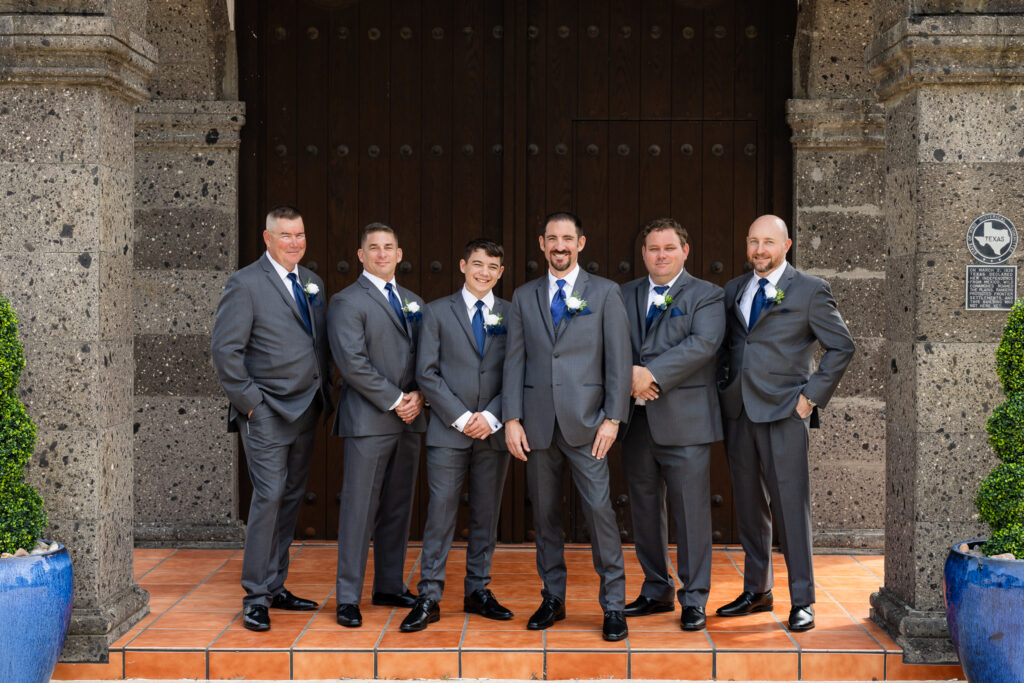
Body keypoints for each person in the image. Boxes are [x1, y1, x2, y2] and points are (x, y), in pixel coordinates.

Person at [717, 214, 854, 632]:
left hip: (784, 412)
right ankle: (757, 590)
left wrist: (810, 399)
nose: (760, 250)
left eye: (769, 242)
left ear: (786, 245)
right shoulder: (734, 290)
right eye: (753, 242)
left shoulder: (810, 290)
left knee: (791, 507)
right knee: (750, 506)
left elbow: (841, 347)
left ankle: (802, 600)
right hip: (739, 412)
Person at [503, 211, 632, 642]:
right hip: (538, 426)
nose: (560, 246)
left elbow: (618, 362)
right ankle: (552, 598)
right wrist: (512, 419)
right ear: (542, 244)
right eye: (552, 239)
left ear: (581, 243)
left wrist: (613, 418)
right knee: (545, 517)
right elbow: (514, 360)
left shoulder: (605, 292)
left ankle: (613, 605)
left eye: (568, 239)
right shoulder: (523, 296)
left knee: (599, 514)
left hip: (589, 424)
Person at [210, 205, 332, 632]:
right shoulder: (244, 284)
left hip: (306, 409)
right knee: (269, 496)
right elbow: (226, 352)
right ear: (267, 238)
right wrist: (251, 405)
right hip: (266, 412)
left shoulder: (313, 282)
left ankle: (276, 584)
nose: (294, 243)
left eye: (300, 235)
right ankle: (255, 596)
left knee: (290, 498)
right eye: (285, 236)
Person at [400, 238, 514, 632]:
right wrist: (463, 417)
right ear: (463, 265)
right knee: (441, 513)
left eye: (493, 267)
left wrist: (493, 417)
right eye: (477, 264)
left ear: (501, 273)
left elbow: (518, 372)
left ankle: (478, 590)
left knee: (486, 514)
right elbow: (426, 372)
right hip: (450, 431)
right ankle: (429, 594)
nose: (484, 272)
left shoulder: (511, 315)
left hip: (494, 433)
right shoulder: (436, 313)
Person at [619, 218, 725, 631]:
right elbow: (610, 342)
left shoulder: (707, 295)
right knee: (645, 508)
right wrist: (630, 378)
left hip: (686, 420)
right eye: (652, 248)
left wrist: (651, 374)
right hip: (635, 419)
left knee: (690, 511)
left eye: (668, 248)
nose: (660, 255)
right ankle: (655, 589)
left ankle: (694, 597)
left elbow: (703, 344)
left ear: (685, 250)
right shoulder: (623, 293)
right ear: (643, 254)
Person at [327, 223, 426, 628]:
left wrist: (419, 395)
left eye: (389, 247)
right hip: (370, 420)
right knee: (358, 510)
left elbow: (427, 357)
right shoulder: (346, 301)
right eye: (374, 248)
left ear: (400, 254)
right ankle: (348, 597)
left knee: (398, 507)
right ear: (361, 254)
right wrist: (395, 400)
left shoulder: (415, 301)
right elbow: (351, 363)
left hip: (411, 420)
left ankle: (387, 584)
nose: (382, 254)